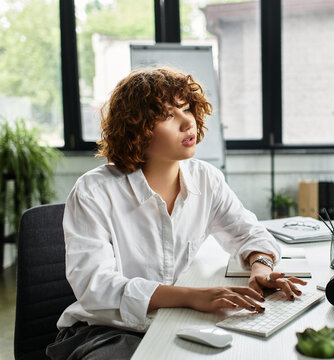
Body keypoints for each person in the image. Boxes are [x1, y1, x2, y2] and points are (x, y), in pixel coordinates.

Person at [46, 67, 307, 359]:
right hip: (105, 331)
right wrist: (192, 297)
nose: (187, 123)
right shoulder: (94, 191)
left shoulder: (205, 178)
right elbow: (96, 287)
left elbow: (248, 232)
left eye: (186, 109)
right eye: (168, 115)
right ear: (137, 129)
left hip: (176, 320)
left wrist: (261, 267)